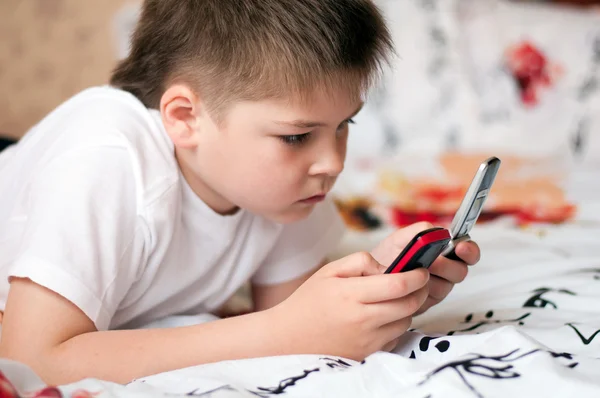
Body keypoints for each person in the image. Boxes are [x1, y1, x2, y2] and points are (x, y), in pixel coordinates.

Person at [0, 0, 480, 385]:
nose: (332, 163)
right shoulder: (104, 159)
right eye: (296, 136)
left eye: (344, 125)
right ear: (186, 118)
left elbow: (297, 315)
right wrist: (279, 331)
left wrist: (387, 290)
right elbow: (30, 360)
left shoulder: (287, 188)